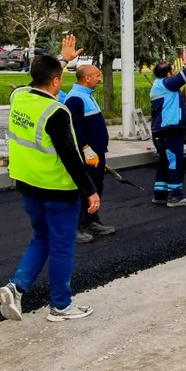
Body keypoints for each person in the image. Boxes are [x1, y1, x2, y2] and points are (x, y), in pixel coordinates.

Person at [0, 44, 100, 323]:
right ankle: (61, 306)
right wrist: (90, 190)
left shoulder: (18, 96)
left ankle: (15, 288)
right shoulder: (56, 112)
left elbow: (36, 81)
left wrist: (63, 59)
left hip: (27, 184)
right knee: (62, 246)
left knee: (41, 237)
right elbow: (70, 157)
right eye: (60, 78)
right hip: (58, 190)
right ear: (56, 81)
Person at [149, 47, 186, 207]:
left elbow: (167, 105)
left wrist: (182, 106)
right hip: (169, 131)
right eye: (172, 71)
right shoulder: (166, 84)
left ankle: (159, 194)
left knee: (165, 162)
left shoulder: (160, 86)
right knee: (175, 161)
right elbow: (184, 76)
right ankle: (175, 196)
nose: (174, 73)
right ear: (168, 74)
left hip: (162, 131)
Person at [65, 64, 116, 243]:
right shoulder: (75, 99)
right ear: (87, 78)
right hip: (89, 155)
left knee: (95, 187)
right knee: (86, 189)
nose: (100, 78)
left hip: (97, 153)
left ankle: (91, 221)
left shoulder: (86, 96)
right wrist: (86, 149)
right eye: (97, 76)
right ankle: (78, 226)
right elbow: (75, 127)